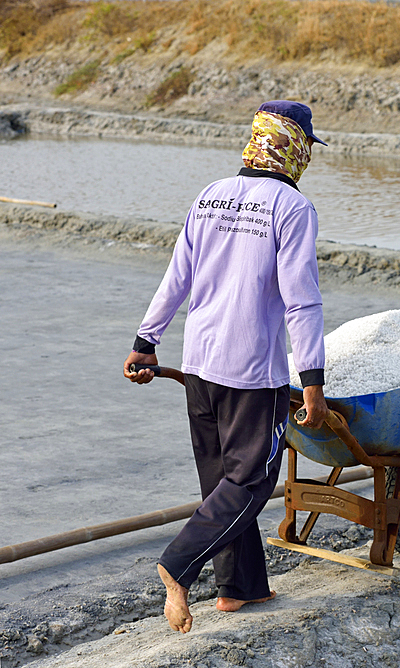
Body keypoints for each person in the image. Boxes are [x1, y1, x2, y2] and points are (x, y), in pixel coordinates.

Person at [124, 100, 330, 634]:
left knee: (220, 480)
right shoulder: (292, 208)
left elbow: (178, 275)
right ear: (296, 148)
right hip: (251, 371)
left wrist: (147, 341)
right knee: (251, 479)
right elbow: (302, 302)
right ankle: (178, 564)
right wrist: (312, 381)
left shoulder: (210, 195)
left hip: (200, 363)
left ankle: (240, 590)